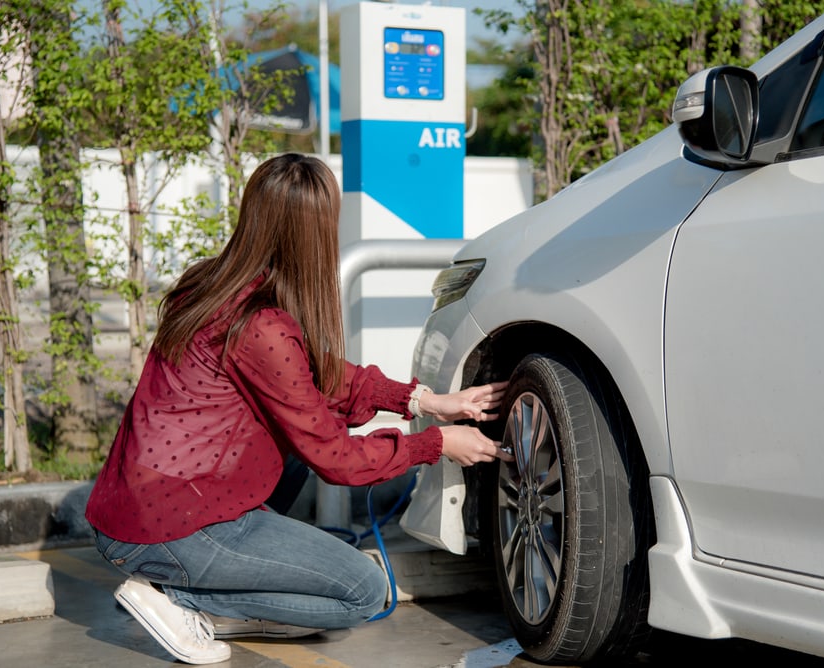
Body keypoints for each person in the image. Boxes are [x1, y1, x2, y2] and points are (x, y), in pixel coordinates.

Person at [85, 153, 512, 665]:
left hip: (133, 505)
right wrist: (435, 443)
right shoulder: (262, 325)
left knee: (292, 447)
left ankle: (199, 575)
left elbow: (310, 374)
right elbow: (337, 460)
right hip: (171, 525)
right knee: (362, 592)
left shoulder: (211, 283)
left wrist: (422, 400)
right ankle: (176, 598)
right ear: (315, 233)